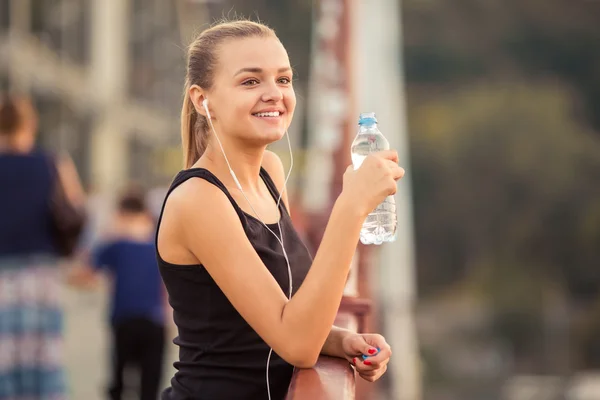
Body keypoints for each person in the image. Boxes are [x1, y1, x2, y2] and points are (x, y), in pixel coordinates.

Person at [156, 20, 405, 400]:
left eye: (284, 80)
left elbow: (277, 317)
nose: (274, 94)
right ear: (202, 99)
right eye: (251, 82)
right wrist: (351, 208)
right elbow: (297, 344)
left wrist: (341, 340)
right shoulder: (198, 200)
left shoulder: (270, 171)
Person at [0, 95, 85, 400]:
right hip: (41, 273)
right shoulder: (51, 162)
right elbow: (76, 209)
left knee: (4, 359)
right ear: (30, 125)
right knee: (42, 357)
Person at [69, 186, 167, 400]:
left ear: (121, 214)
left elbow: (83, 275)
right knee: (150, 386)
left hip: (124, 319)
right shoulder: (159, 243)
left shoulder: (115, 244)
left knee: (118, 382)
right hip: (156, 321)